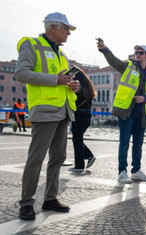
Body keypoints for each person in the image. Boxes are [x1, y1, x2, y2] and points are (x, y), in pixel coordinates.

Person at [15, 12, 80, 220]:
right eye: (66, 29)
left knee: (58, 157)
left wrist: (74, 86)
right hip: (44, 111)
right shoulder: (31, 45)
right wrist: (56, 79)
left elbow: (62, 82)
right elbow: (21, 73)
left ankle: (50, 198)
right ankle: (26, 203)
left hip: (63, 111)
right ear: (53, 27)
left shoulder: (62, 55)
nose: (69, 33)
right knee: (36, 158)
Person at [97, 41, 146, 183]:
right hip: (126, 112)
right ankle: (122, 171)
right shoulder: (128, 66)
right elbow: (113, 61)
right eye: (136, 52)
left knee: (138, 144)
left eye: (141, 52)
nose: (137, 54)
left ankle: (136, 170)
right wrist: (104, 49)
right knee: (124, 143)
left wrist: (145, 98)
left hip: (142, 114)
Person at [68, 69, 97, 172]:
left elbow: (74, 101)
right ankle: (88, 157)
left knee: (77, 140)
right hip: (87, 116)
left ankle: (80, 165)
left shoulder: (78, 87)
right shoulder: (87, 87)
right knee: (78, 139)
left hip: (79, 116)